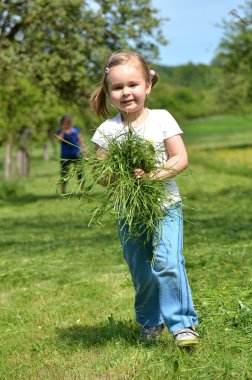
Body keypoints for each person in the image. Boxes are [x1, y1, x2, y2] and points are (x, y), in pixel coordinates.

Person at [90, 51, 199, 347]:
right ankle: (151, 321)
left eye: (133, 84)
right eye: (117, 87)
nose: (126, 92)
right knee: (140, 268)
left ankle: (182, 324)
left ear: (148, 85)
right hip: (128, 211)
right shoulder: (107, 131)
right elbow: (101, 175)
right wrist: (121, 174)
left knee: (167, 262)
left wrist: (151, 175)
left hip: (165, 207)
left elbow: (180, 158)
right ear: (109, 92)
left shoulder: (161, 118)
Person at [56, 114, 88, 194]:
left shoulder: (75, 130)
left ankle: (82, 190)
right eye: (64, 122)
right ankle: (63, 191)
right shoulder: (60, 131)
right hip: (65, 156)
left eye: (67, 122)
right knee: (64, 173)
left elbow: (81, 141)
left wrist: (86, 151)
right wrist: (63, 130)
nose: (66, 123)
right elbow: (59, 140)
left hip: (76, 154)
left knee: (80, 173)